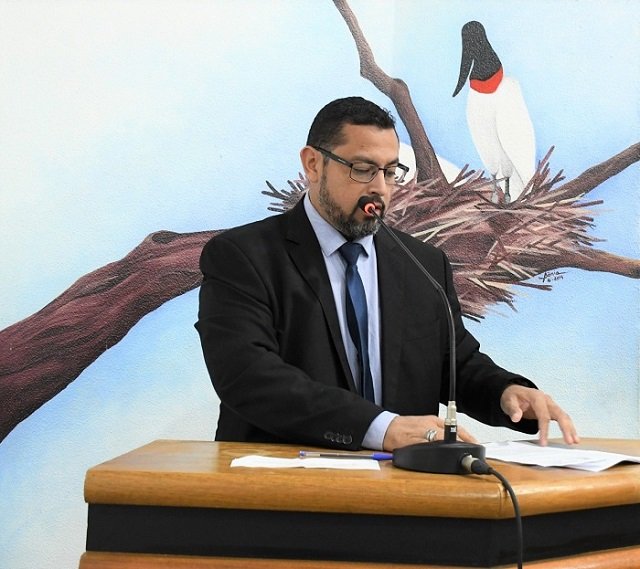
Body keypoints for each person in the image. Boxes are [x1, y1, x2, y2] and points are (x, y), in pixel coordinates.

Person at [195, 96, 579, 452]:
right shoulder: (242, 256)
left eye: (391, 172)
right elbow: (249, 377)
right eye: (362, 169)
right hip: (281, 486)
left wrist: (506, 392)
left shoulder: (423, 264)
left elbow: (456, 364)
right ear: (313, 164)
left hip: (402, 487)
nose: (379, 188)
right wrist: (380, 428)